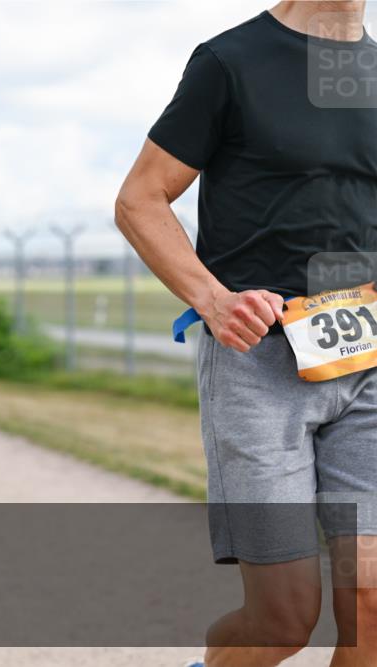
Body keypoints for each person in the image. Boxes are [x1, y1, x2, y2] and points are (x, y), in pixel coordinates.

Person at [115, 3, 376, 666]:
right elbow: (140, 198)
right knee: (283, 619)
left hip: (368, 363)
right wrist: (213, 298)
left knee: (372, 604)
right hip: (258, 367)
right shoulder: (231, 62)